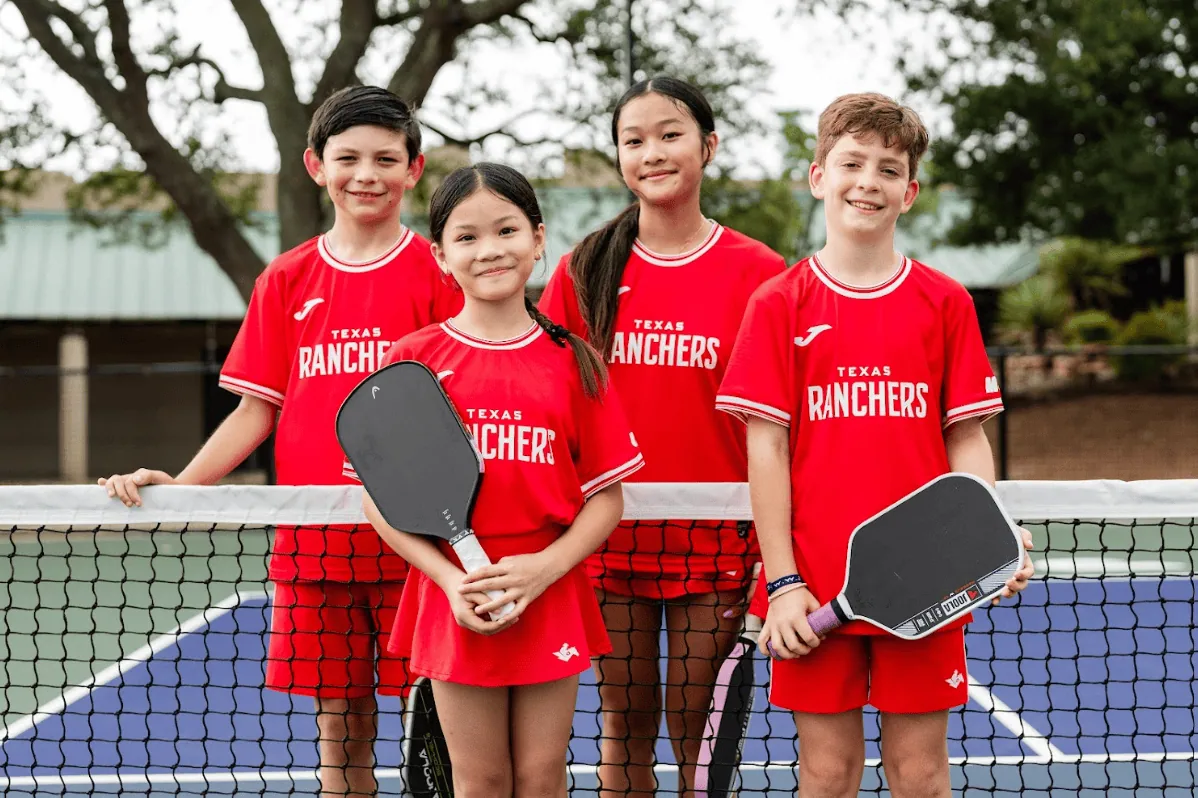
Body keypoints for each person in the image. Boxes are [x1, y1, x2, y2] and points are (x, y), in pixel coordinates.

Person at [99, 85, 461, 797]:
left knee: (448, 733)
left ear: (413, 171)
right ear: (315, 166)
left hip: (424, 548)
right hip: (316, 546)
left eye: (386, 158)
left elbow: (468, 403)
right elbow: (254, 412)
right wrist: (185, 485)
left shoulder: (439, 273)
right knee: (342, 734)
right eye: (348, 157)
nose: (367, 173)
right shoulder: (287, 279)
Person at [715, 92, 1036, 798]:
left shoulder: (945, 301)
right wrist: (784, 583)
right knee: (827, 773)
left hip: (926, 582)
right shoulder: (778, 303)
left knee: (920, 771)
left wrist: (986, 534)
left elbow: (967, 440)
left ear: (909, 192)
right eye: (851, 162)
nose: (868, 181)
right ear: (818, 175)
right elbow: (765, 452)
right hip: (815, 590)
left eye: (888, 169)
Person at [360, 162, 644, 798]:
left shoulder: (576, 360)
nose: (489, 250)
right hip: (456, 595)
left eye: (507, 230)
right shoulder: (412, 360)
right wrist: (452, 580)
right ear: (440, 255)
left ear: (538, 239)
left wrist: (543, 570)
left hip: (549, 591)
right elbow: (382, 501)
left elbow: (606, 499)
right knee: (481, 779)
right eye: (466, 237)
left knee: (543, 777)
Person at [538, 75, 787, 796]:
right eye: (634, 140)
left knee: (695, 729)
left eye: (670, 134)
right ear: (618, 157)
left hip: (717, 542)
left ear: (708, 147)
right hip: (607, 538)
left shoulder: (760, 274)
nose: (653, 152)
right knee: (624, 719)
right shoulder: (582, 270)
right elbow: (549, 400)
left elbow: (778, 426)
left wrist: (777, 549)